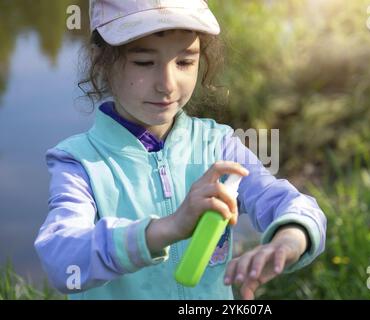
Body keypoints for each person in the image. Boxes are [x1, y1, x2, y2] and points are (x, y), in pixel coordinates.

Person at [34, 0, 327, 300]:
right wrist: (167, 228)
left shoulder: (218, 146)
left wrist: (285, 242)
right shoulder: (79, 162)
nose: (167, 84)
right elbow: (61, 259)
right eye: (144, 63)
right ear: (101, 61)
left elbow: (289, 202)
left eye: (185, 61)